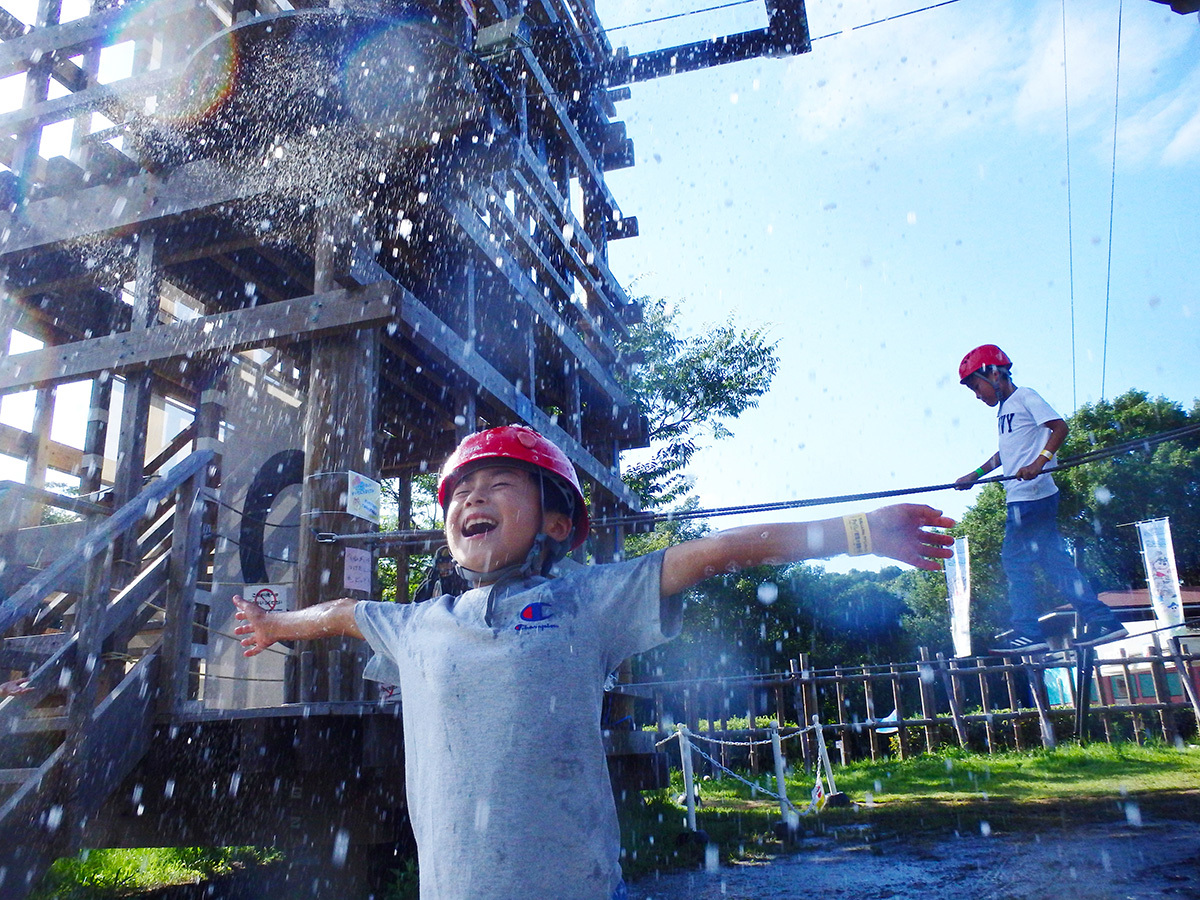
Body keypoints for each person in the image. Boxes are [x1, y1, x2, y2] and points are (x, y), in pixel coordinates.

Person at [234, 425, 954, 900]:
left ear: (556, 523)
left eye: (501, 485)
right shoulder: (420, 625)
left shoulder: (586, 600)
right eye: (462, 492)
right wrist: (274, 625)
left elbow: (717, 552)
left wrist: (856, 529)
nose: (475, 497)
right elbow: (339, 615)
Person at [954, 344, 1128, 654]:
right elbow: (1005, 455)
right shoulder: (1005, 410)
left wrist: (1040, 462)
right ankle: (1104, 622)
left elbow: (1060, 427)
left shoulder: (1025, 397)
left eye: (975, 386)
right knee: (1057, 565)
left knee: (1015, 563)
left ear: (994, 374)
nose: (977, 395)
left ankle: (1028, 632)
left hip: (1028, 498)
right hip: (1033, 498)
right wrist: (974, 475)